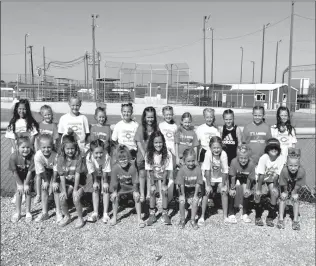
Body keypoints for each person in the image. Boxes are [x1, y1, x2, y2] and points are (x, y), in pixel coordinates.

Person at [6, 99, 39, 204]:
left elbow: (33, 136)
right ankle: (18, 192)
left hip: (27, 151)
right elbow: (11, 137)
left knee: (27, 174)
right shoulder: (13, 122)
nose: (22, 111)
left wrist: (30, 148)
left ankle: (26, 192)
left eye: (24, 109)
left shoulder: (30, 122)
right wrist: (15, 149)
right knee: (16, 173)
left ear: (27, 110)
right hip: (17, 152)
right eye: (20, 108)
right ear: (16, 109)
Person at [110, 145, 145, 228]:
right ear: (117, 160)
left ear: (128, 158)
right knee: (115, 197)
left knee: (137, 197)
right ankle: (114, 217)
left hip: (131, 188)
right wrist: (114, 192)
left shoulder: (132, 168)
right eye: (121, 159)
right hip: (120, 188)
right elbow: (114, 182)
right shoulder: (115, 168)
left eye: (125, 159)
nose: (123, 161)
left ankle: (139, 218)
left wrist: (136, 191)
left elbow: (135, 181)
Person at [57, 134, 86, 229]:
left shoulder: (78, 159)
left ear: (75, 148)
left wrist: (75, 190)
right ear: (63, 149)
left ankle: (80, 218)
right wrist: (64, 191)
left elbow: (78, 174)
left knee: (76, 198)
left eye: (72, 148)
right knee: (62, 197)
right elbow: (61, 176)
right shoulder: (60, 159)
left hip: (80, 183)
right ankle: (67, 216)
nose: (70, 151)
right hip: (68, 183)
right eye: (67, 149)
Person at [254, 138, 285, 227]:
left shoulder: (281, 158)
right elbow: (261, 175)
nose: (274, 150)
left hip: (272, 180)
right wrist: (259, 189)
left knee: (274, 193)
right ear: (267, 149)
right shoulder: (264, 158)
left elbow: (277, 175)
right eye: (271, 148)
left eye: (276, 148)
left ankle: (270, 217)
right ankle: (258, 216)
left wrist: (275, 187)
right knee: (258, 194)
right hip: (261, 179)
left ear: (279, 150)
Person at [199, 136, 230, 225]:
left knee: (224, 192)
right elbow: (207, 170)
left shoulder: (223, 154)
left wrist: (223, 185)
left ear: (221, 147)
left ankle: (225, 216)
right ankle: (202, 216)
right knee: (206, 193)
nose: (216, 150)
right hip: (208, 176)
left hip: (220, 176)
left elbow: (225, 171)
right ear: (210, 147)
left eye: (218, 148)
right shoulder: (208, 153)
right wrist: (208, 185)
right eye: (214, 148)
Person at [145, 131, 173, 226]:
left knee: (164, 192)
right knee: (152, 192)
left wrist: (164, 184)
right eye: (156, 142)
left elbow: (166, 170)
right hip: (154, 176)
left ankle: (165, 214)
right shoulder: (149, 154)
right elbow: (150, 170)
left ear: (163, 142)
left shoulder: (167, 154)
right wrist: (152, 184)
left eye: (160, 142)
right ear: (152, 143)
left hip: (164, 175)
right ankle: (152, 214)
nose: (158, 144)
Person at [34, 134, 62, 222]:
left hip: (55, 170)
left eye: (49, 147)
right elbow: (41, 170)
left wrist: (54, 181)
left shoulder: (55, 155)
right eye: (44, 147)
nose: (46, 149)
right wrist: (46, 181)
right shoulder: (37, 156)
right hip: (45, 170)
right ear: (39, 147)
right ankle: (45, 212)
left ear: (52, 146)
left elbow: (56, 170)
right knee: (44, 188)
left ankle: (58, 212)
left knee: (56, 188)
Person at [34, 105, 59, 204]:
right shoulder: (39, 125)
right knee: (39, 175)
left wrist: (56, 151)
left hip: (50, 152)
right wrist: (37, 150)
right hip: (41, 152)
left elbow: (56, 140)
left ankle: (51, 194)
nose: (48, 116)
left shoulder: (53, 125)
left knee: (53, 173)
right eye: (45, 115)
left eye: (49, 114)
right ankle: (38, 194)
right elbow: (36, 139)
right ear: (42, 115)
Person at [277, 148, 305, 230]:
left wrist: (294, 192)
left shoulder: (301, 171)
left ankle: (295, 221)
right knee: (283, 198)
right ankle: (281, 219)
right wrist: (285, 192)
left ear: (299, 165)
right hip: (286, 184)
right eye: (291, 166)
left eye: (295, 166)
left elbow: (299, 183)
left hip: (295, 185)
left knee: (295, 199)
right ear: (287, 165)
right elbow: (283, 182)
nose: (293, 168)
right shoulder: (284, 171)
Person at [134, 107, 158, 202]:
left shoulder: (156, 127)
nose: (150, 119)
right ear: (144, 117)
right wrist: (144, 154)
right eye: (148, 117)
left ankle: (148, 194)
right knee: (142, 174)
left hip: (152, 156)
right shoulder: (141, 127)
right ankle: (142, 194)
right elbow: (138, 141)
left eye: (152, 117)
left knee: (150, 175)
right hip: (142, 156)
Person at [9, 136, 35, 223]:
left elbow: (30, 172)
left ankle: (28, 212)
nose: (25, 149)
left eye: (28, 147)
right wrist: (20, 184)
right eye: (23, 147)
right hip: (18, 176)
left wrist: (26, 184)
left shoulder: (32, 157)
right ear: (17, 147)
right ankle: (18, 212)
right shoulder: (13, 156)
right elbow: (14, 172)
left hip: (28, 176)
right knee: (19, 192)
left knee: (28, 192)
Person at [228, 144, 256, 223]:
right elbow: (232, 177)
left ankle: (244, 213)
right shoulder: (234, 162)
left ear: (248, 158)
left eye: (245, 158)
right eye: (241, 158)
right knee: (232, 191)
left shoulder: (251, 164)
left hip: (245, 179)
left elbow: (250, 178)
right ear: (238, 157)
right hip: (235, 178)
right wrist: (232, 188)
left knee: (246, 192)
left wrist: (247, 189)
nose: (243, 160)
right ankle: (231, 213)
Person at [86, 139, 111, 223]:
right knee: (95, 189)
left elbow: (105, 170)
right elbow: (92, 171)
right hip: (95, 173)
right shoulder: (89, 157)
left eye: (101, 152)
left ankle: (105, 213)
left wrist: (105, 182)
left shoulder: (106, 155)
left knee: (106, 189)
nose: (99, 155)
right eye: (96, 153)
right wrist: (95, 182)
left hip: (105, 173)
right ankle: (96, 212)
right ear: (91, 152)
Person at [176, 148, 202, 230]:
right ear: (184, 161)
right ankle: (183, 219)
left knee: (195, 201)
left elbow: (198, 183)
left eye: (193, 161)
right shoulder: (182, 170)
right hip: (184, 189)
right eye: (188, 161)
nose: (191, 163)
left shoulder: (198, 169)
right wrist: (183, 195)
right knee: (182, 201)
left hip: (194, 189)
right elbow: (181, 184)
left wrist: (195, 196)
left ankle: (193, 219)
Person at [158, 106, 178, 201]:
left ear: (172, 114)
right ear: (163, 115)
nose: (168, 116)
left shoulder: (175, 126)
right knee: (161, 174)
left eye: (170, 114)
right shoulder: (160, 125)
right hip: (163, 152)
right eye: (166, 114)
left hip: (172, 153)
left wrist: (175, 154)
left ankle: (170, 196)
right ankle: (162, 196)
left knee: (171, 174)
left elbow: (176, 141)